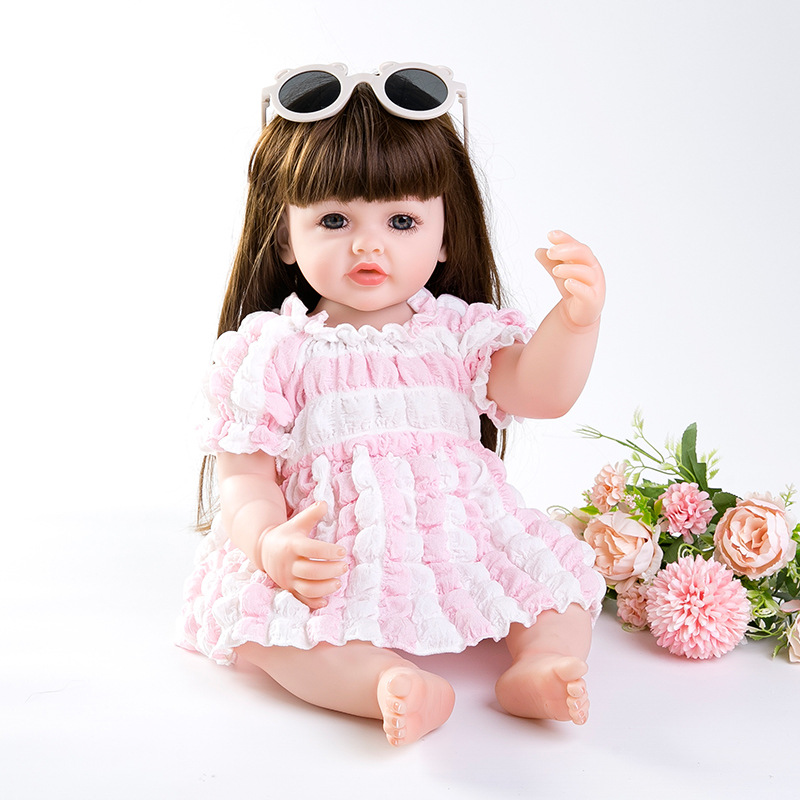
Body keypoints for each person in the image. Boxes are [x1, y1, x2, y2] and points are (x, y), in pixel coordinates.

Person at [178, 63, 607, 747]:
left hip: (466, 534)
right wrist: (268, 542)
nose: (368, 243)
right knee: (271, 630)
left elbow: (539, 391)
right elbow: (245, 475)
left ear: (445, 233)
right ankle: (383, 682)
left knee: (557, 586)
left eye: (402, 220)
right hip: (334, 550)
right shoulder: (275, 350)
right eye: (335, 219)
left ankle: (543, 663)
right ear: (284, 235)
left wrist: (575, 324)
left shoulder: (459, 334)